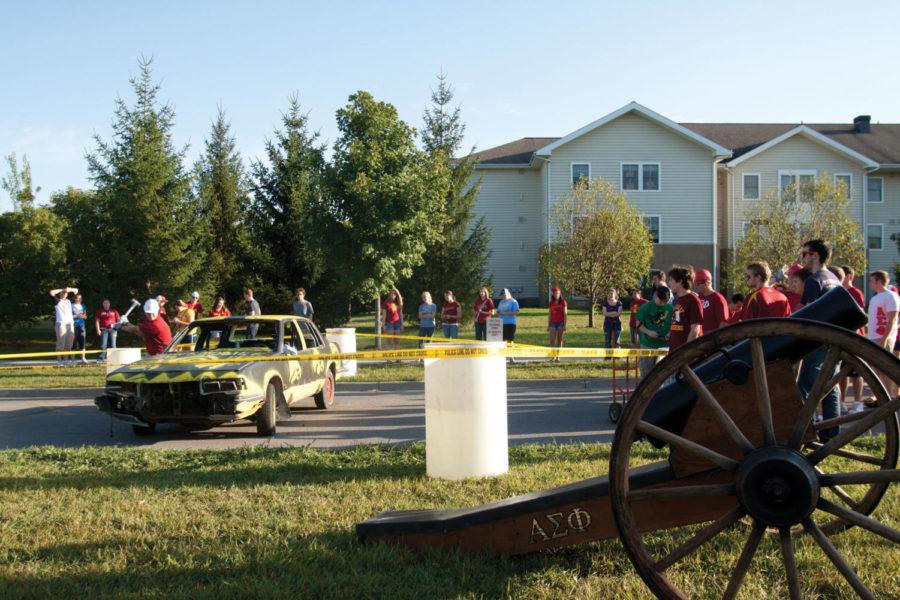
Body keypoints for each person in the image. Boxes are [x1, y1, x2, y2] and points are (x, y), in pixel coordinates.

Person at [797, 239, 842, 441]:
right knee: (830, 387)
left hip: (817, 341)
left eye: (804, 253)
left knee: (804, 385)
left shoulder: (814, 281)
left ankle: (800, 431)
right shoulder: (833, 278)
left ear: (814, 255)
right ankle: (831, 433)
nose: (803, 258)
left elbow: (807, 316)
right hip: (834, 339)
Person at [866, 271, 899, 402]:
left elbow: (892, 319)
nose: (870, 283)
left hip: (884, 337)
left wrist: (884, 339)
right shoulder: (875, 298)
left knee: (885, 367)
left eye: (871, 280)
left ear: (879, 281)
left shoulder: (891, 296)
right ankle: (883, 396)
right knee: (877, 369)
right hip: (873, 337)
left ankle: (890, 395)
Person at [840, 265, 866, 411]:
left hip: (854, 337)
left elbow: (860, 315)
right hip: (841, 337)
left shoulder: (855, 292)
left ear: (849, 276)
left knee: (856, 372)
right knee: (842, 374)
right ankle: (842, 401)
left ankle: (858, 402)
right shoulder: (838, 292)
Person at [636, 286, 673, 378]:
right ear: (656, 296)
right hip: (648, 345)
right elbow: (638, 324)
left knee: (663, 374)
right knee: (646, 375)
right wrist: (648, 332)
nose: (663, 304)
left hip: (664, 346)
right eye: (661, 301)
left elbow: (675, 323)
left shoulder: (671, 308)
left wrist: (670, 333)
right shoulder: (646, 307)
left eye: (665, 302)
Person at [666, 266, 703, 351]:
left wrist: (685, 352)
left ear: (680, 281)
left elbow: (695, 330)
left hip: (686, 353)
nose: (669, 283)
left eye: (671, 280)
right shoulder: (677, 299)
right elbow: (678, 322)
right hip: (674, 350)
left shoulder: (693, 300)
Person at [49, 286, 77, 364]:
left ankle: (65, 360)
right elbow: (51, 292)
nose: (64, 294)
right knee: (61, 344)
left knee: (69, 344)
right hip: (61, 324)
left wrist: (68, 289)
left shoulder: (69, 301)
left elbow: (76, 291)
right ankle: (59, 361)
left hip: (70, 324)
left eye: (65, 293)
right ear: (60, 294)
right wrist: (62, 289)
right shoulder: (57, 301)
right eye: (62, 293)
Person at [497, 288, 520, 360]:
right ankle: (503, 357)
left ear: (507, 294)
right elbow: (498, 311)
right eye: (502, 295)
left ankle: (511, 357)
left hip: (511, 323)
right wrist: (499, 313)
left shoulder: (513, 301)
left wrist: (506, 313)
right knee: (503, 341)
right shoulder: (501, 302)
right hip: (502, 323)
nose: (503, 296)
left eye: (504, 295)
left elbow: (516, 312)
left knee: (510, 340)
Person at [547, 287, 567, 361]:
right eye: (555, 293)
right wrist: (548, 325)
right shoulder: (551, 303)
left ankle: (558, 357)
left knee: (559, 340)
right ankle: (553, 356)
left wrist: (565, 325)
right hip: (553, 323)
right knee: (552, 340)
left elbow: (565, 314)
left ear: (560, 294)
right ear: (553, 294)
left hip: (561, 323)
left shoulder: (563, 302)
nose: (557, 295)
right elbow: (550, 314)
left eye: (558, 293)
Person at [71, 293, 89, 363]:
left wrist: (83, 316)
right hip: (73, 325)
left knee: (82, 341)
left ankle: (83, 358)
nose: (78, 299)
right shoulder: (71, 306)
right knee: (73, 342)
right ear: (74, 298)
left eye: (79, 298)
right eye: (77, 298)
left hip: (82, 325)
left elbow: (85, 316)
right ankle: (73, 359)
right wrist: (77, 316)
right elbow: (68, 316)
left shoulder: (83, 306)